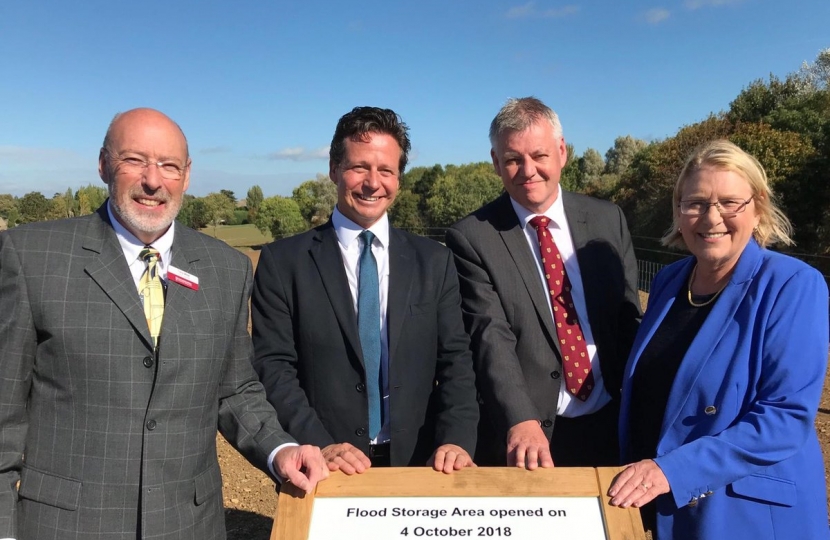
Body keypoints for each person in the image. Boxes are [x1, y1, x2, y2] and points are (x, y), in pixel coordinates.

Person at [0, 108, 328, 540]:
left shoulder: (226, 269)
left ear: (187, 176)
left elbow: (235, 390)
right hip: (66, 524)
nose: (153, 181)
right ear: (103, 164)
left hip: (189, 524)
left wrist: (280, 450)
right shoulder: (32, 257)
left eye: (169, 166)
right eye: (135, 160)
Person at [608, 140, 829, 539]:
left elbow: (783, 419)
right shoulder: (668, 282)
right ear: (678, 212)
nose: (711, 218)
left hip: (739, 513)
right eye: (695, 203)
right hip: (657, 505)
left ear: (757, 207)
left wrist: (671, 471)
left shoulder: (793, 285)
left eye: (730, 202)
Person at [251, 106, 478, 474]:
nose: (373, 183)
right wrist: (319, 444)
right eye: (359, 167)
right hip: (325, 462)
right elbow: (273, 367)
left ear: (398, 179)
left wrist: (456, 437)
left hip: (422, 459)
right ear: (334, 170)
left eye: (386, 170)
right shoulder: (282, 264)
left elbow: (456, 360)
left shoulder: (434, 262)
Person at [445, 97, 641, 468]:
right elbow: (490, 335)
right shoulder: (473, 237)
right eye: (513, 159)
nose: (528, 170)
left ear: (562, 152)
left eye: (539, 156)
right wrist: (521, 418)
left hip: (613, 419)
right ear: (495, 162)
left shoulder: (607, 219)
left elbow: (628, 316)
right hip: (532, 435)